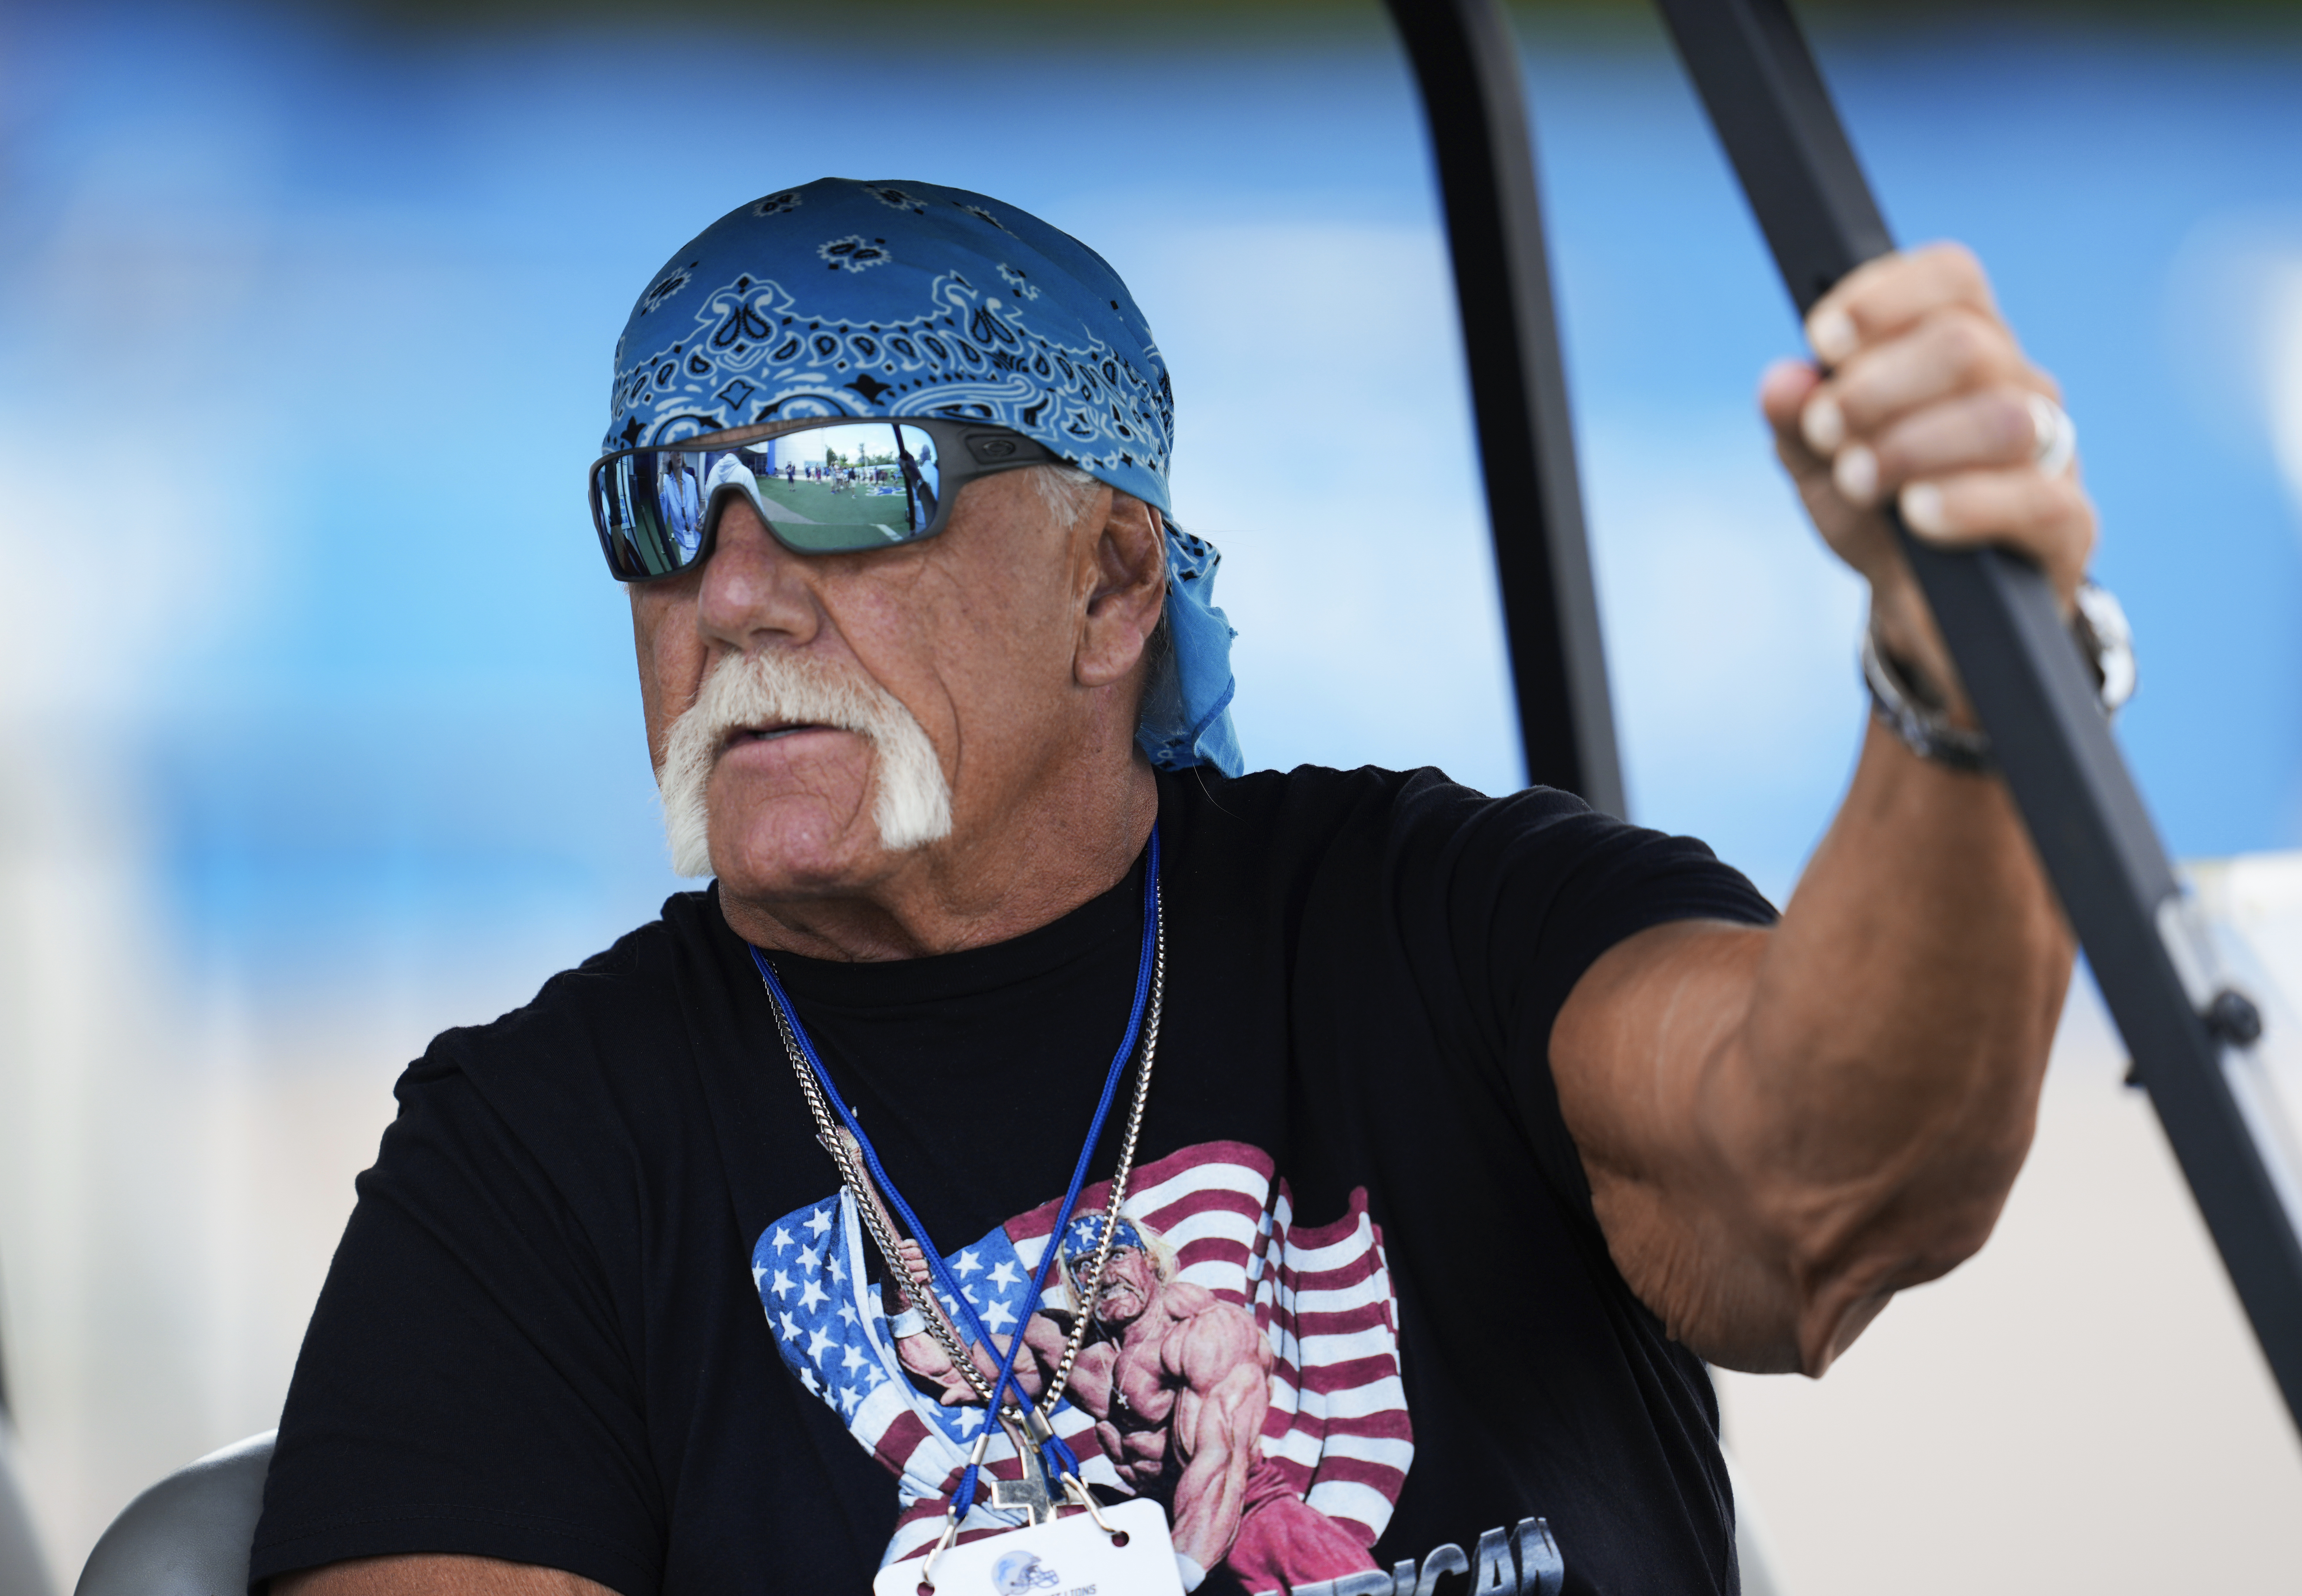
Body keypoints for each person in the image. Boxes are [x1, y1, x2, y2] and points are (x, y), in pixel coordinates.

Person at [252, 178, 2099, 1596]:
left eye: (838, 484)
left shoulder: (1433, 916)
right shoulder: (527, 1156)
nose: (731, 592)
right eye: (663, 505)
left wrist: (1955, 702)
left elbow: (1832, 1184)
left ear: (1114, 586)